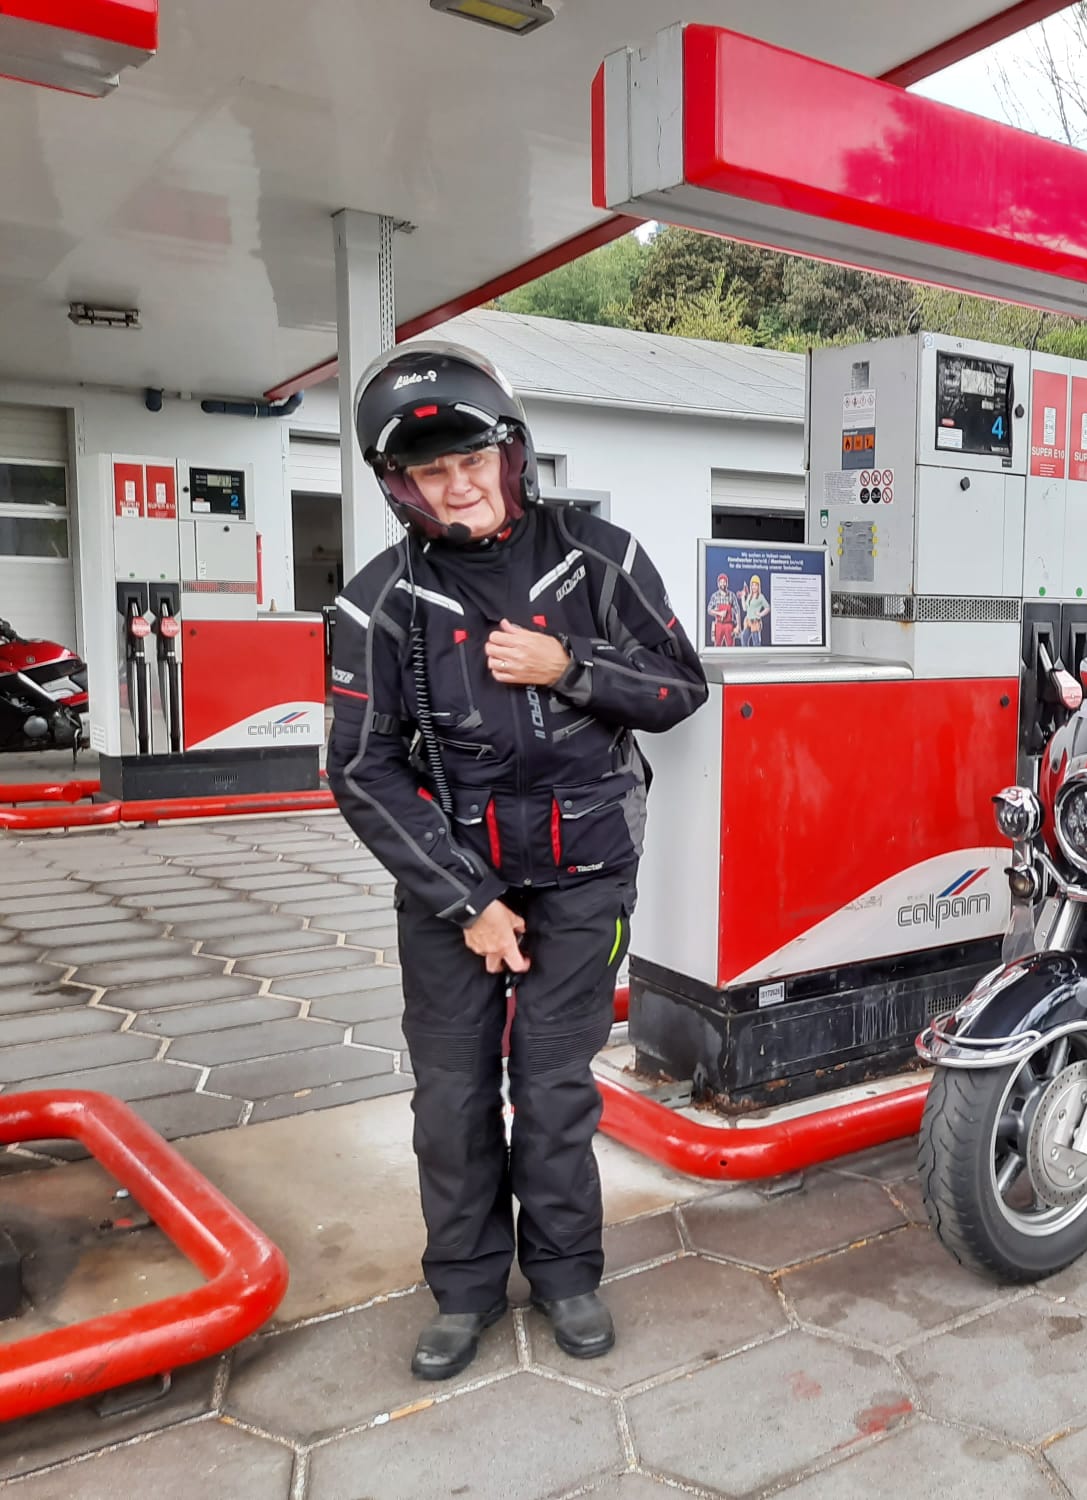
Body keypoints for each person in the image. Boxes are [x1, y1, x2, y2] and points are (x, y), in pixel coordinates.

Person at [327, 341, 708, 1379]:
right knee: (451, 1098)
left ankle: (567, 1274)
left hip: (587, 873)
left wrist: (570, 666)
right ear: (400, 487)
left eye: (472, 460)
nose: (458, 486)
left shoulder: (598, 556)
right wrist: (469, 903)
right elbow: (360, 769)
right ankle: (463, 1291)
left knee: (552, 1089)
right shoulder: (376, 602)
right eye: (430, 472)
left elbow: (679, 686)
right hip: (453, 885)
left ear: (511, 453)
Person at [738, 574, 769, 646]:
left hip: (755, 622)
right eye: (752, 585)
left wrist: (760, 614)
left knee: (756, 642)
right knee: (744, 637)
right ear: (750, 586)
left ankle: (757, 653)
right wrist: (743, 597)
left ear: (758, 586)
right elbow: (744, 608)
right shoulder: (749, 596)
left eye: (756, 585)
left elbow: (767, 608)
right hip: (748, 622)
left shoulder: (761, 597)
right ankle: (745, 652)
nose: (754, 587)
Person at [708, 572, 737, 648]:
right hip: (719, 624)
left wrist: (738, 626)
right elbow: (709, 610)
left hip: (729, 625)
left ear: (727, 583)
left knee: (731, 646)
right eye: (721, 582)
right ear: (718, 584)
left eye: (724, 582)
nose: (723, 584)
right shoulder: (715, 596)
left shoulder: (732, 595)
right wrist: (719, 613)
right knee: (717, 645)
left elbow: (737, 611)